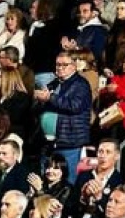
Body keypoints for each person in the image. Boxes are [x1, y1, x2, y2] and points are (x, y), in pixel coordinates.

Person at [35, 51, 93, 181]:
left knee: (68, 180)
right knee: (49, 180)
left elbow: (75, 106)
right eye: (57, 65)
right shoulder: (54, 83)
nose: (60, 68)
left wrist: (51, 97)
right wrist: (39, 98)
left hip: (70, 142)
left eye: (64, 65)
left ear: (74, 66)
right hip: (50, 143)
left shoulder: (81, 84)